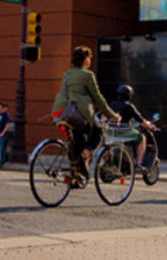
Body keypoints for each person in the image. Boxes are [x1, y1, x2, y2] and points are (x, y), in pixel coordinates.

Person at [51, 46, 120, 184]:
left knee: (78, 138)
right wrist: (112, 114)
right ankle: (86, 155)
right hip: (78, 112)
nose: (90, 60)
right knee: (98, 132)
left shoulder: (67, 74)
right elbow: (98, 98)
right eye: (89, 58)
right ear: (85, 59)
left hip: (61, 112)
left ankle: (77, 175)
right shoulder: (87, 75)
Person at [109, 84, 158, 170]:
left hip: (112, 132)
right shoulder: (129, 106)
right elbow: (140, 119)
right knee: (142, 138)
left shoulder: (112, 105)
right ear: (129, 95)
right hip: (124, 133)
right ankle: (138, 164)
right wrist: (149, 126)